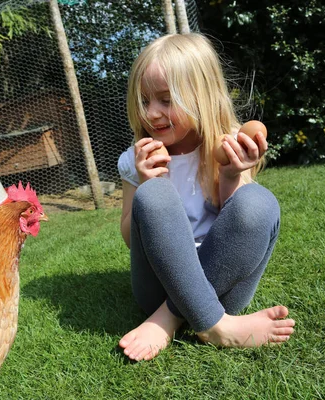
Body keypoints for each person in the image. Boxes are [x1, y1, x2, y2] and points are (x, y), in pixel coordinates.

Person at [117, 33, 296, 362]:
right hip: (160, 284)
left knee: (259, 201)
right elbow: (131, 239)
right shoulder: (135, 159)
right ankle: (216, 327)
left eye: (166, 100)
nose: (152, 113)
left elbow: (242, 223)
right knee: (155, 194)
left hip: (222, 285)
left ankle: (170, 318)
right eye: (143, 101)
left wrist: (230, 175)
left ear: (202, 95)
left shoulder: (226, 145)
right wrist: (145, 183)